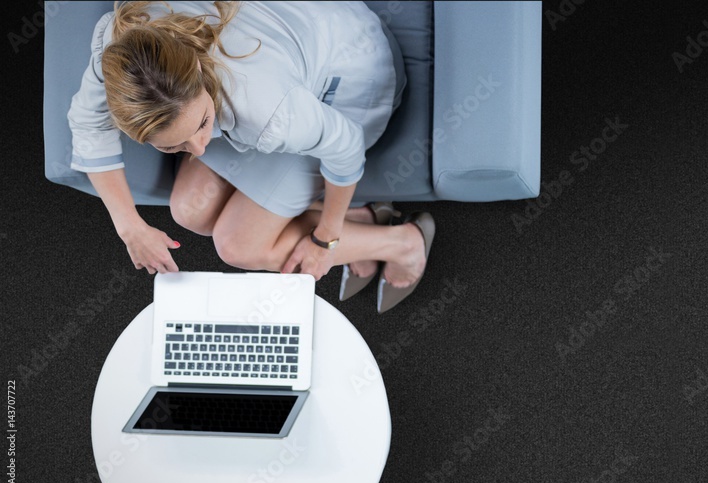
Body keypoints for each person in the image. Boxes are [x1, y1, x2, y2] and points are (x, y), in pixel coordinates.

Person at [67, 1, 434, 312]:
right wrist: (130, 228)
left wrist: (326, 240)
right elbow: (89, 128)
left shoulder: (268, 110)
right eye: (173, 146)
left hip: (353, 81)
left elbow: (346, 147)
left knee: (239, 245)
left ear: (195, 70)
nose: (199, 148)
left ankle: (403, 242)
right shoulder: (123, 48)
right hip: (289, 50)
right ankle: (363, 218)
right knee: (189, 209)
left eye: (203, 123)